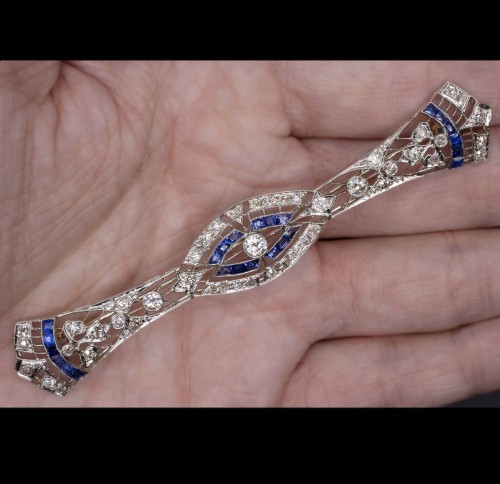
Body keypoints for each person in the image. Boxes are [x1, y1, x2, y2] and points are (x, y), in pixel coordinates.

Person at [1, 60, 499, 407]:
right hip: (224, 259)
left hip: (279, 229)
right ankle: (442, 140)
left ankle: (442, 139)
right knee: (221, 262)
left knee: (304, 215)